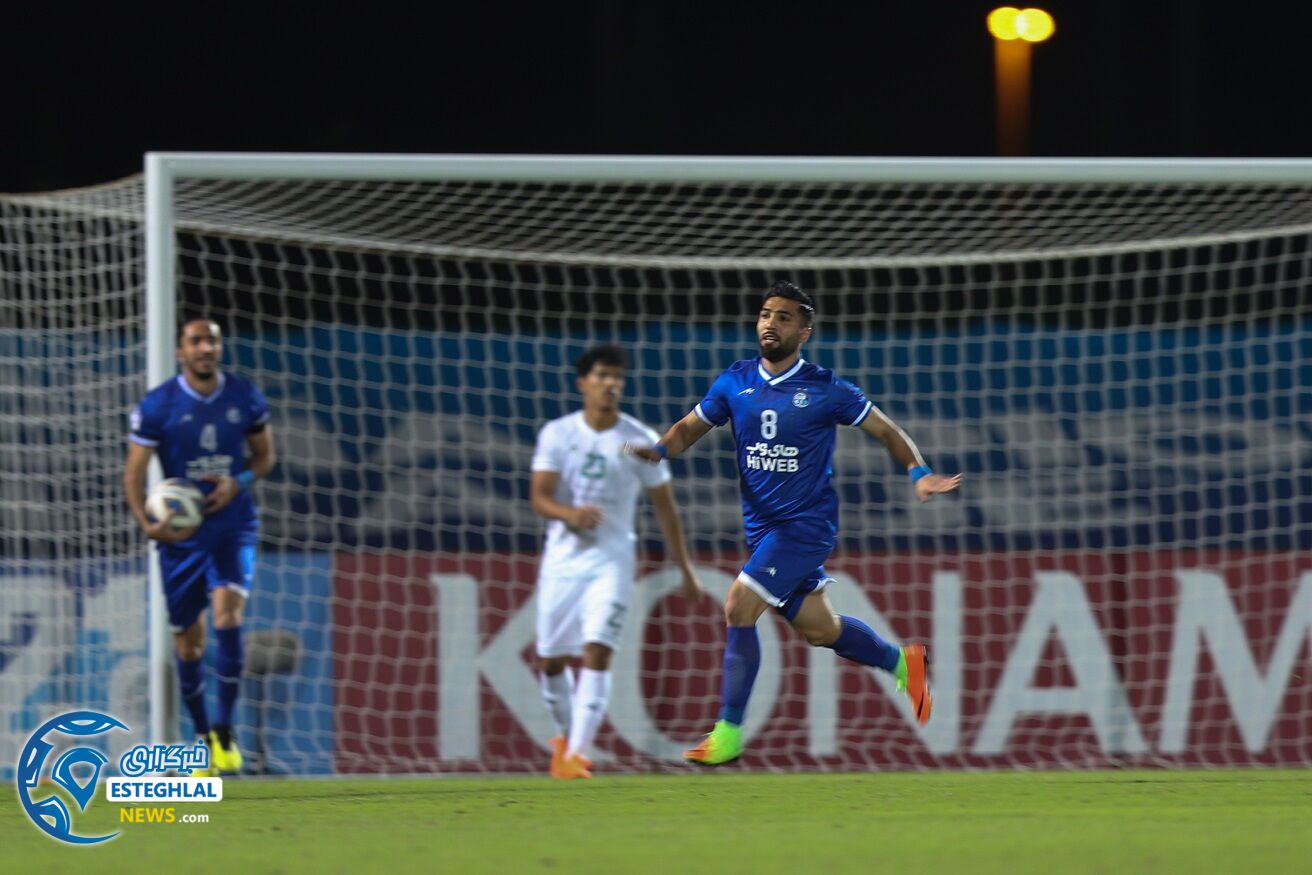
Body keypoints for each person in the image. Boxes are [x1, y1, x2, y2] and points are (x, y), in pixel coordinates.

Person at [630, 281, 961, 765]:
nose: (771, 323)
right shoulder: (734, 382)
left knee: (739, 604)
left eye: (784, 317)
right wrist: (658, 449)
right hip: (763, 530)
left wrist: (920, 473)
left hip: (805, 527)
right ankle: (900, 662)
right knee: (821, 630)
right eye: (766, 314)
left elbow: (886, 430)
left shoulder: (827, 389)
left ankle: (728, 732)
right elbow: (688, 429)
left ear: (803, 331)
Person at [530, 344, 702, 779]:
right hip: (562, 563)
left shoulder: (637, 439)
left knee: (598, 651)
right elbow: (540, 497)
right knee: (551, 660)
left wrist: (685, 568)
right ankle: (567, 743)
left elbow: (665, 506)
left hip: (612, 560)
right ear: (583, 383)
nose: (612, 384)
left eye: (617, 378)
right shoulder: (558, 434)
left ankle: (576, 756)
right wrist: (571, 514)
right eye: (603, 376)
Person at [122, 318, 277, 775]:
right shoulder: (159, 405)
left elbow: (266, 456)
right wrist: (148, 523)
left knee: (229, 615)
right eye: (196, 341)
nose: (206, 347)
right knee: (189, 643)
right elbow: (133, 473)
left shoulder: (244, 395)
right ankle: (203, 733)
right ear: (181, 352)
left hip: (233, 524)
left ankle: (226, 733)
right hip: (181, 536)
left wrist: (239, 481)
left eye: (212, 340)